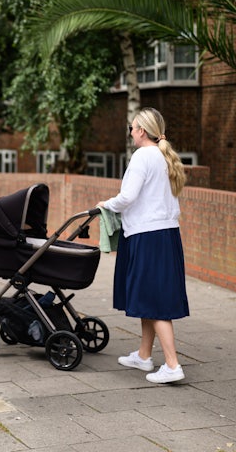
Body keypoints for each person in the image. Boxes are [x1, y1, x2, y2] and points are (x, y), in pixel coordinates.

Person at [98, 107, 188, 384]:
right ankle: (144, 355)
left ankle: (172, 365)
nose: (131, 132)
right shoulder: (162, 156)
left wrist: (104, 205)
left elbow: (127, 197)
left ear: (141, 131)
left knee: (157, 302)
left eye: (132, 128)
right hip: (166, 235)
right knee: (151, 297)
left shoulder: (142, 157)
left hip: (147, 237)